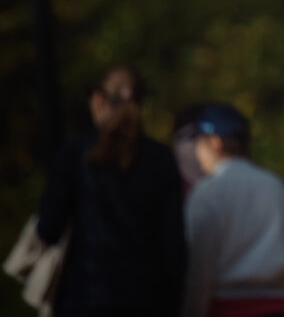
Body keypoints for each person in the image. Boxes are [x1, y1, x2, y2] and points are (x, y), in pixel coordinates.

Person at [35, 63, 187, 317]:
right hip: (146, 300)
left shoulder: (76, 154)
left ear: (98, 100)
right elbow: (174, 248)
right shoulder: (161, 159)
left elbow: (48, 229)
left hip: (83, 298)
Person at [182, 103, 284, 317]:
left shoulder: (207, 192)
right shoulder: (276, 186)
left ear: (215, 143)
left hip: (226, 307)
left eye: (199, 143)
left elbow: (200, 268)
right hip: (278, 306)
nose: (197, 153)